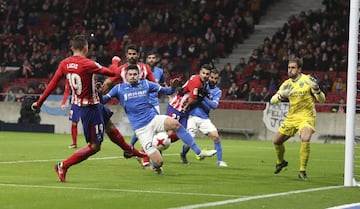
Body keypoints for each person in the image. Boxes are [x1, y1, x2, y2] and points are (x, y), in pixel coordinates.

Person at [31, 35, 122, 182]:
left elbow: (52, 84)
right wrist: (115, 61)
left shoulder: (64, 64)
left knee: (103, 134)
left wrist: (39, 102)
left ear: (72, 48)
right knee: (94, 146)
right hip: (90, 108)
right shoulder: (88, 63)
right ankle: (63, 165)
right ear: (86, 48)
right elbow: (113, 73)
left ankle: (132, 152)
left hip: (82, 106)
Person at [102, 65, 217, 174]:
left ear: (139, 75)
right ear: (126, 76)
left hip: (153, 119)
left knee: (175, 124)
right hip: (141, 129)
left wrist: (173, 87)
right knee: (158, 162)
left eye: (135, 74)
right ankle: (157, 167)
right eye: (130, 74)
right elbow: (104, 100)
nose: (133, 76)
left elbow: (167, 91)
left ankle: (199, 152)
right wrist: (97, 94)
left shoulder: (146, 84)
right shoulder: (119, 89)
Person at [269, 58, 326, 180]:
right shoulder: (286, 84)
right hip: (291, 118)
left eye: (293, 67)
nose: (290, 70)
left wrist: (317, 89)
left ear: (299, 69)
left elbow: (322, 100)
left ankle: (302, 170)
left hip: (306, 117)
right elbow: (272, 101)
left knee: (305, 138)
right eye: (289, 67)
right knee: (276, 141)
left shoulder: (307, 80)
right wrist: (281, 95)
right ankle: (281, 162)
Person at [181, 69, 228, 167]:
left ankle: (219, 162)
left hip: (204, 118)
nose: (213, 80)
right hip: (192, 116)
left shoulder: (217, 91)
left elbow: (214, 106)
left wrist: (203, 97)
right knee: (189, 140)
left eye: (215, 78)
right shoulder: (201, 84)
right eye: (211, 77)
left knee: (216, 136)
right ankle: (183, 154)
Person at [61, 80, 79, 149]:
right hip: (75, 103)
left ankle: (93, 142)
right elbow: (67, 91)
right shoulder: (69, 78)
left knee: (89, 122)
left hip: (86, 102)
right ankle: (74, 143)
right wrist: (63, 102)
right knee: (74, 123)